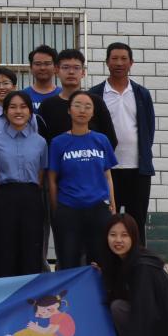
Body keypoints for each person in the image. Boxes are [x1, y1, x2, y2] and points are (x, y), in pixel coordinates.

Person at [91, 42, 157, 246]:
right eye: (114, 59)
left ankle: (138, 260)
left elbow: (149, 129)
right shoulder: (95, 94)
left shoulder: (141, 94)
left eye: (123, 59)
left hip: (138, 169)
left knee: (136, 222)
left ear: (131, 63)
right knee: (106, 221)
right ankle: (105, 262)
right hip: (107, 170)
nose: (119, 63)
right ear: (107, 62)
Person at [48, 90, 117, 269]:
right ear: (69, 110)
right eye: (77, 105)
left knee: (99, 261)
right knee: (68, 259)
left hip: (98, 208)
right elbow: (52, 179)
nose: (82, 110)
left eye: (87, 106)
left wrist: (112, 204)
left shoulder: (101, 140)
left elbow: (108, 175)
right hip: (69, 208)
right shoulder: (58, 142)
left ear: (93, 112)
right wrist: (56, 209)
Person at [0, 91, 47, 277]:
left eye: (23, 107)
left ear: (30, 112)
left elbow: (41, 175)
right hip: (5, 197)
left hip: (31, 197)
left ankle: (30, 289)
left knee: (31, 246)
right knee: (5, 247)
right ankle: (6, 288)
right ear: (5, 111)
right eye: (13, 107)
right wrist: (1, 199)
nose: (18, 111)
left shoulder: (40, 142)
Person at [36, 49, 118, 145]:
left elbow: (110, 140)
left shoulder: (95, 102)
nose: (71, 72)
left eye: (76, 68)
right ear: (57, 71)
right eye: (65, 67)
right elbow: (41, 142)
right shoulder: (47, 105)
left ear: (83, 72)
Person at [24, 45, 61, 111]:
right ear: (31, 68)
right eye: (38, 64)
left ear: (55, 67)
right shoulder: (22, 96)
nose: (42, 68)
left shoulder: (63, 95)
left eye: (47, 64)